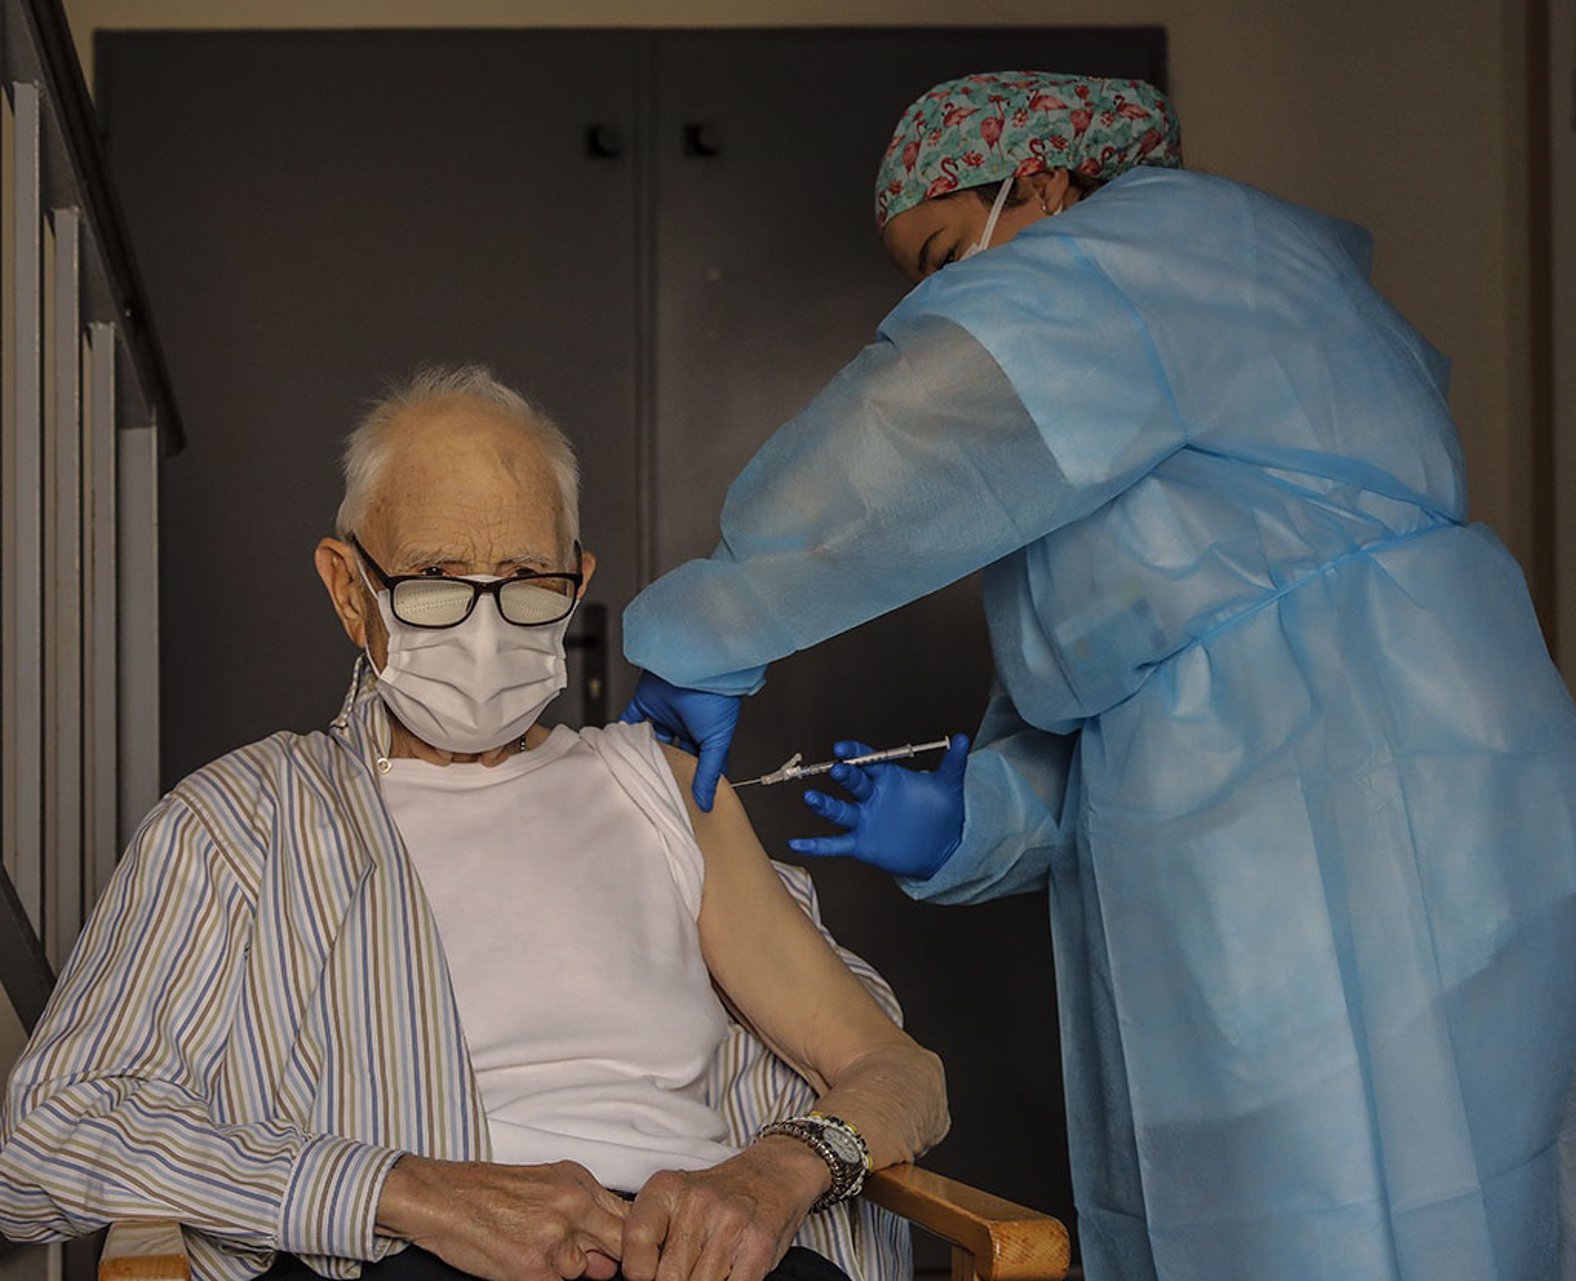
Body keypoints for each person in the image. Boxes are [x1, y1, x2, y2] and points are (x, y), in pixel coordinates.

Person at [620, 72, 1576, 1280]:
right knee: (1317, 1222)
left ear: (1052, 181)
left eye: (952, 252)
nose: (949, 303)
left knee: (1369, 1220)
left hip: (1372, 815)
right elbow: (1130, 709)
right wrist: (973, 824)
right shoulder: (1149, 412)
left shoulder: (1166, 246)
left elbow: (901, 443)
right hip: (1328, 826)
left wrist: (708, 627)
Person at [0, 368, 946, 1281]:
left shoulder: (663, 792)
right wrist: (408, 1192)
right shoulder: (242, 822)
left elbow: (897, 1071)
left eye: (528, 578)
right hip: (401, 1251)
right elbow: (50, 1133)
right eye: (436, 578)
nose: (486, 628)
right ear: (347, 589)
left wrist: (771, 1173)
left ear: (577, 583)